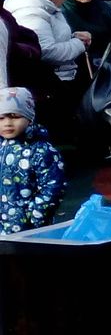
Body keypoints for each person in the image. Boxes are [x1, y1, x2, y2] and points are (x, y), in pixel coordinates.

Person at [4, 0, 90, 132]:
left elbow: (53, 38)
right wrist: (80, 44)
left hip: (60, 78)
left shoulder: (46, 8)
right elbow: (46, 52)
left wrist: (73, 38)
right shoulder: (31, 14)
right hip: (52, 84)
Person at [0, 86, 63, 234]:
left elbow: (52, 188)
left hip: (30, 229)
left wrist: (35, 218)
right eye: (1, 118)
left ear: (29, 118)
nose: (7, 123)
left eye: (15, 116)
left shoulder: (42, 151)